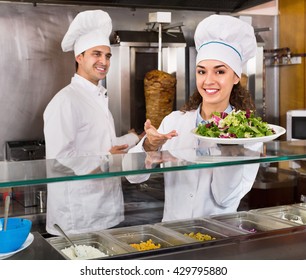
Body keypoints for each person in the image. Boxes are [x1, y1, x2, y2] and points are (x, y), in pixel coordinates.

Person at [126, 15, 262, 222]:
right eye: (202, 71)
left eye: (220, 71)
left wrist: (229, 148)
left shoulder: (248, 134)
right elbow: (132, 175)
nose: (209, 81)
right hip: (173, 234)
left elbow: (225, 198)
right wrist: (148, 146)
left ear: (236, 77)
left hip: (217, 238)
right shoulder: (174, 121)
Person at [43, 10, 142, 235]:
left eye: (107, 56)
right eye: (96, 54)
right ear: (79, 57)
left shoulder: (97, 97)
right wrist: (108, 161)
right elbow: (60, 159)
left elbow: (102, 144)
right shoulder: (66, 100)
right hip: (78, 217)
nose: (104, 62)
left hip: (105, 211)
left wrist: (134, 138)